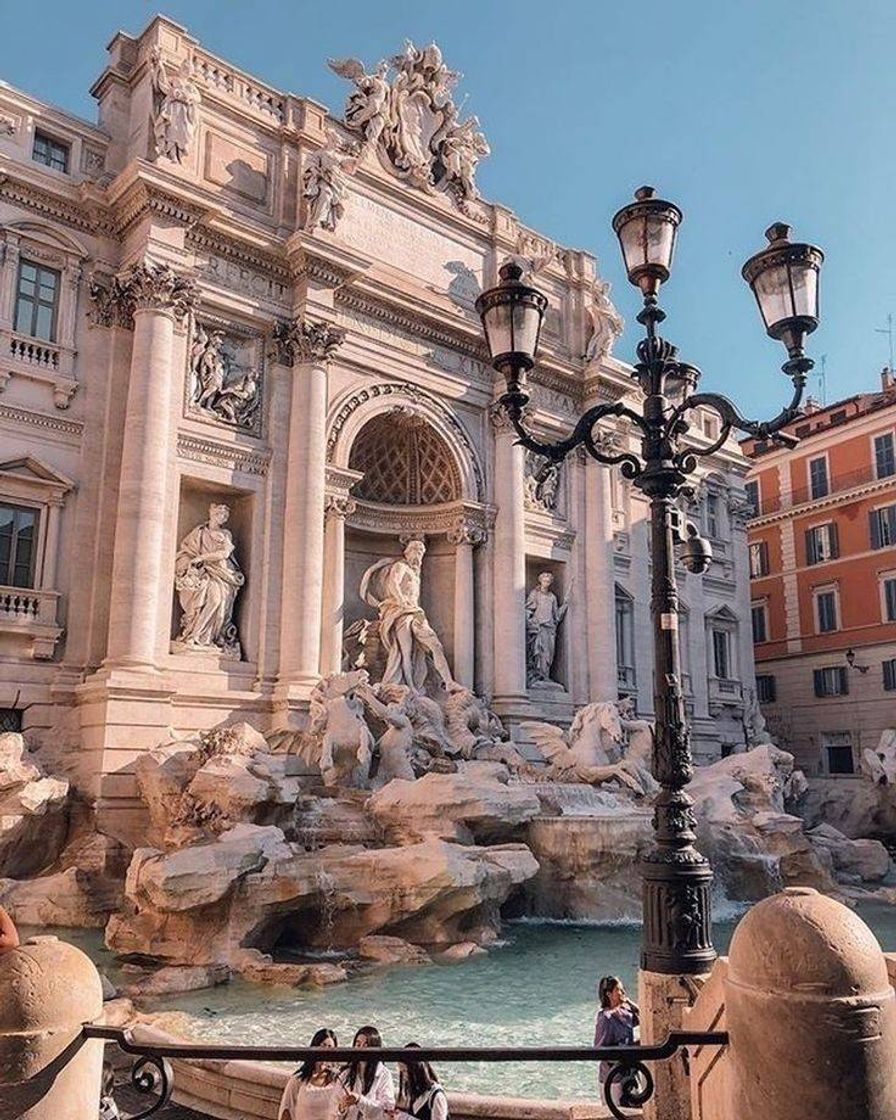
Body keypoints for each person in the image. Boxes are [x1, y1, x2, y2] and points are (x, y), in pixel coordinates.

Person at [594, 976, 640, 1104]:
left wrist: (629, 1002)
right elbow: (599, 1049)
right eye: (619, 990)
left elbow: (643, 1017)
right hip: (612, 1078)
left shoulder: (625, 1012)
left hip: (628, 1073)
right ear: (609, 994)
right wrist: (623, 1057)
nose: (623, 993)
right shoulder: (605, 1019)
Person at [279, 1029, 341, 1120]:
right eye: (323, 1046)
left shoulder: (338, 1079)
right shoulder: (299, 1079)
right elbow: (286, 1110)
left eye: (330, 1047)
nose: (325, 1051)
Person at [337, 1026, 395, 1120]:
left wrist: (360, 1100)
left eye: (366, 1046)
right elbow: (335, 1109)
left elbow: (388, 1110)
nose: (361, 1049)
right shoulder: (347, 1073)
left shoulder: (383, 1074)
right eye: (358, 1045)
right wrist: (342, 1108)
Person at [394, 1043, 448, 1120]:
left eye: (405, 1071)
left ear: (416, 1071)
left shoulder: (436, 1097)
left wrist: (403, 1117)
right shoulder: (415, 1091)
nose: (404, 1077)